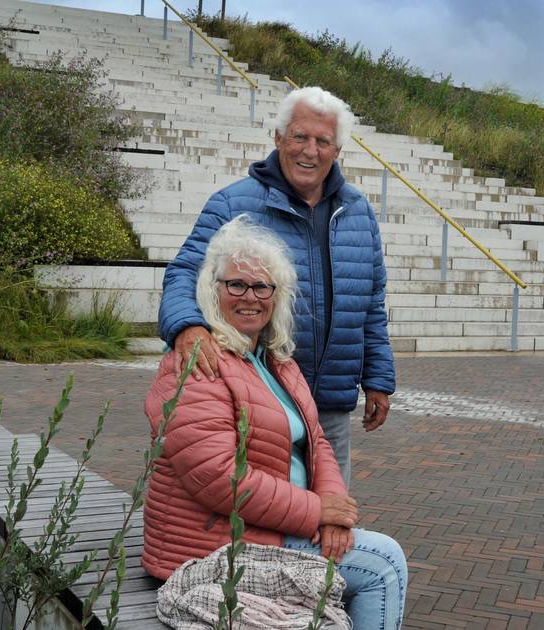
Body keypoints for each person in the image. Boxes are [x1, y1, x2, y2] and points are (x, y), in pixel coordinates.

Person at [144, 216, 407, 630]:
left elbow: (317, 442)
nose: (250, 296)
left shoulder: (276, 361)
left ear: (276, 296)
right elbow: (218, 477)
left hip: (276, 526)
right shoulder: (198, 362)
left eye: (262, 286)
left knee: (373, 559)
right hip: (214, 548)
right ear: (212, 291)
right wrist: (317, 511)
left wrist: (333, 513)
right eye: (236, 284)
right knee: (382, 564)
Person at [158, 86, 394, 485]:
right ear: (278, 138)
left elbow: (370, 302)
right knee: (263, 516)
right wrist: (186, 325)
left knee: (330, 516)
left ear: (337, 150)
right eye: (300, 136)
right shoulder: (233, 204)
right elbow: (183, 272)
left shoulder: (358, 212)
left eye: (323, 141)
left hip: (331, 405)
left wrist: (377, 378)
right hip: (259, 399)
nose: (310, 150)